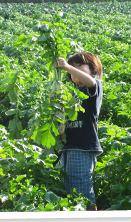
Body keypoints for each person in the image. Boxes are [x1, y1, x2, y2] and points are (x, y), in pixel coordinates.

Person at [54, 52, 103, 210]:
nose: (73, 71)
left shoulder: (93, 87)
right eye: (71, 70)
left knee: (81, 188)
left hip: (83, 146)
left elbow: (90, 82)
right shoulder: (71, 94)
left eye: (79, 66)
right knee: (71, 187)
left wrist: (67, 67)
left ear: (93, 70)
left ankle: (89, 214)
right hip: (68, 146)